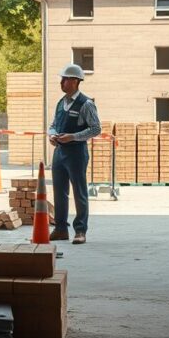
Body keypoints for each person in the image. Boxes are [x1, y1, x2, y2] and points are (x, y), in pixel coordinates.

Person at [47, 63, 101, 244]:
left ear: (76, 81)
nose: (61, 82)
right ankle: (61, 229)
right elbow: (53, 124)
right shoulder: (60, 103)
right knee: (59, 191)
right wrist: (52, 135)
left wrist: (73, 137)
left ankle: (80, 231)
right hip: (59, 152)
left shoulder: (86, 104)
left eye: (65, 79)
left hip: (77, 153)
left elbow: (95, 129)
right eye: (62, 79)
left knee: (79, 192)